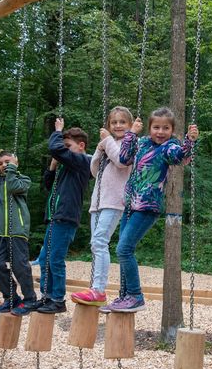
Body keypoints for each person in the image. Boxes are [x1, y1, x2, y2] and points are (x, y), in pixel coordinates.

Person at [101, 107, 198, 313]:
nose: (160, 132)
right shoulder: (142, 142)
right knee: (124, 250)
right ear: (149, 127)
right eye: (156, 127)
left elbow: (180, 156)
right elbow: (124, 158)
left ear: (172, 130)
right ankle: (124, 296)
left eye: (166, 128)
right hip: (130, 205)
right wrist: (132, 134)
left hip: (147, 206)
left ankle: (135, 296)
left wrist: (189, 140)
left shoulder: (169, 147)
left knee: (123, 249)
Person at [12, 118, 92, 316]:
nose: (63, 150)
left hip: (66, 217)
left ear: (81, 146)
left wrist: (57, 131)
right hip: (55, 217)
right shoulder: (66, 166)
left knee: (55, 258)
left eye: (68, 146)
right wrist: (52, 167)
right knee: (46, 258)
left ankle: (57, 299)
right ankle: (47, 296)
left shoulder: (84, 162)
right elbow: (49, 185)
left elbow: (56, 149)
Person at [70, 107, 134, 307]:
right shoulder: (109, 144)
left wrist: (106, 142)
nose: (117, 125)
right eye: (114, 122)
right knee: (95, 244)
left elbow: (122, 162)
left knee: (100, 241)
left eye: (122, 122)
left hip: (115, 200)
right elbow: (95, 170)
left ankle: (98, 289)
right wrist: (99, 149)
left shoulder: (131, 143)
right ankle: (95, 288)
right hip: (99, 199)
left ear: (130, 126)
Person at [0, 125, 35, 313]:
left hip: (16, 229)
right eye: (1, 163)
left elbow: (12, 186)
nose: (4, 165)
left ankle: (30, 299)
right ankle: (11, 298)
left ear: (15, 163)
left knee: (20, 266)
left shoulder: (23, 180)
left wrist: (12, 170)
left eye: (7, 162)